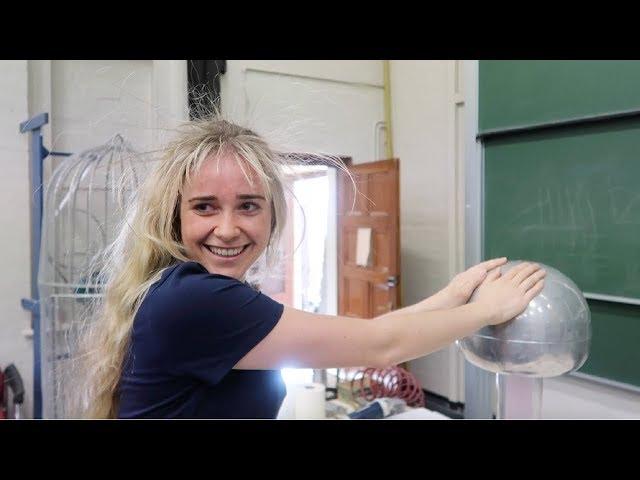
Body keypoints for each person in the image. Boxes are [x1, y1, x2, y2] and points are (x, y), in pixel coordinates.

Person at [75, 116, 545, 419]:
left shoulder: (203, 294)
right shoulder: (195, 300)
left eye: (248, 206)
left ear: (271, 214)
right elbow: (383, 345)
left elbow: (373, 331)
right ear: (174, 217)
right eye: (204, 207)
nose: (228, 227)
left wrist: (451, 295)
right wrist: (487, 311)